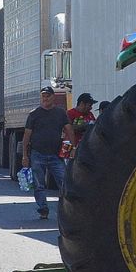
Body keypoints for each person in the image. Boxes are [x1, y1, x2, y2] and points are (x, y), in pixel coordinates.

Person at [22, 84, 73, 220]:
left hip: (56, 155)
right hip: (37, 154)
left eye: (48, 96)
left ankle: (66, 209)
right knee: (39, 185)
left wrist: (72, 148)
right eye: (43, 96)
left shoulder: (61, 113)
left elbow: (69, 130)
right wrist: (25, 156)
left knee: (64, 182)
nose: (45, 98)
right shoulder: (34, 114)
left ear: (53, 97)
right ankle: (43, 209)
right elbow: (26, 136)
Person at [63, 92, 97, 159]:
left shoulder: (90, 114)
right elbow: (68, 129)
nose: (91, 108)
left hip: (86, 148)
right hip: (71, 148)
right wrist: (85, 126)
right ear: (82, 104)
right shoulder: (70, 113)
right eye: (89, 105)